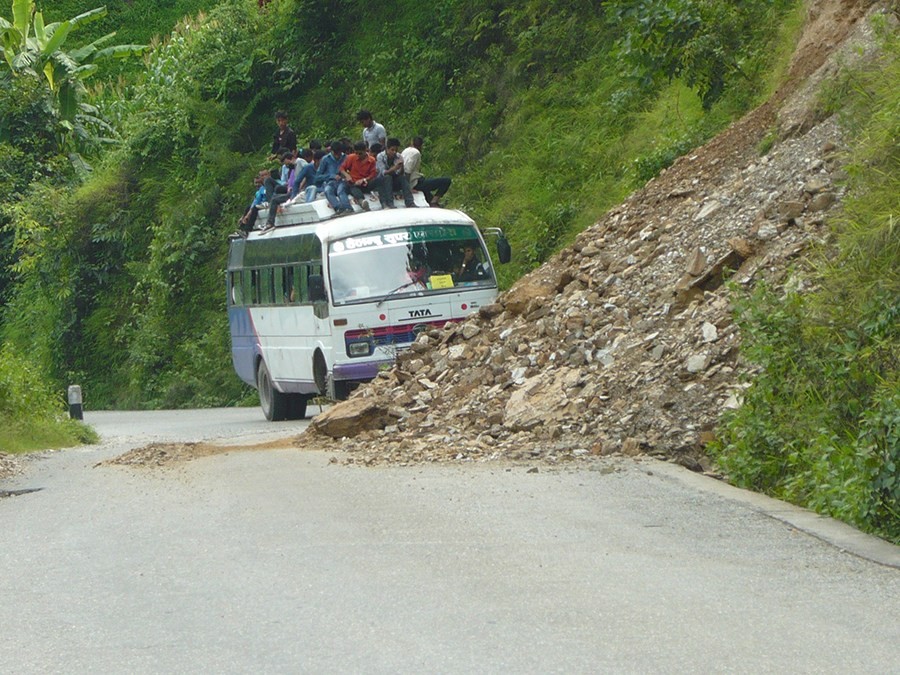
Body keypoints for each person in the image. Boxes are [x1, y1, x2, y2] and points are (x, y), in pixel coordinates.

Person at [402, 136, 452, 207]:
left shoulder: (405, 150)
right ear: (421, 146)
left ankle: (431, 201)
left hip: (409, 180)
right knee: (446, 181)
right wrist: (408, 189)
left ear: (412, 143)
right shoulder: (416, 153)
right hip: (414, 183)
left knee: (424, 180)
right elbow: (407, 171)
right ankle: (434, 202)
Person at [336, 141, 377, 212]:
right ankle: (361, 201)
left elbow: (372, 175)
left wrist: (364, 180)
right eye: (356, 153)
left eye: (360, 153)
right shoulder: (351, 157)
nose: (358, 155)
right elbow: (342, 168)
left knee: (379, 180)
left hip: (366, 183)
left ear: (365, 151)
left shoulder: (372, 160)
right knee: (351, 186)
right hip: (354, 183)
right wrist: (347, 175)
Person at [375, 138, 414, 208]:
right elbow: (383, 172)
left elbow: (399, 174)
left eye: (396, 150)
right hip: (383, 181)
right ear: (387, 149)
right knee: (387, 177)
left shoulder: (398, 156)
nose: (394, 152)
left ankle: (410, 202)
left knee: (403, 178)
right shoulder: (380, 156)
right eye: (392, 150)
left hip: (394, 180)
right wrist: (394, 168)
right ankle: (390, 202)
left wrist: (401, 167)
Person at [232, 170, 269, 238]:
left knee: (254, 209)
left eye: (265, 175)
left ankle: (247, 229)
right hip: (261, 204)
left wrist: (247, 216)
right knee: (249, 207)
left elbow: (257, 203)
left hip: (267, 204)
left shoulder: (270, 185)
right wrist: (244, 216)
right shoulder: (261, 189)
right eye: (262, 176)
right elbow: (255, 202)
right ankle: (241, 227)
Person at [318, 141, 347, 212]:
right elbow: (318, 176)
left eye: (339, 154)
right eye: (335, 154)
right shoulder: (325, 159)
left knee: (341, 190)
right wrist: (331, 176)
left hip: (343, 182)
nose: (337, 156)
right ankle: (338, 208)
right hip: (330, 182)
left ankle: (347, 207)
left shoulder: (346, 158)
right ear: (332, 151)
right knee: (327, 190)